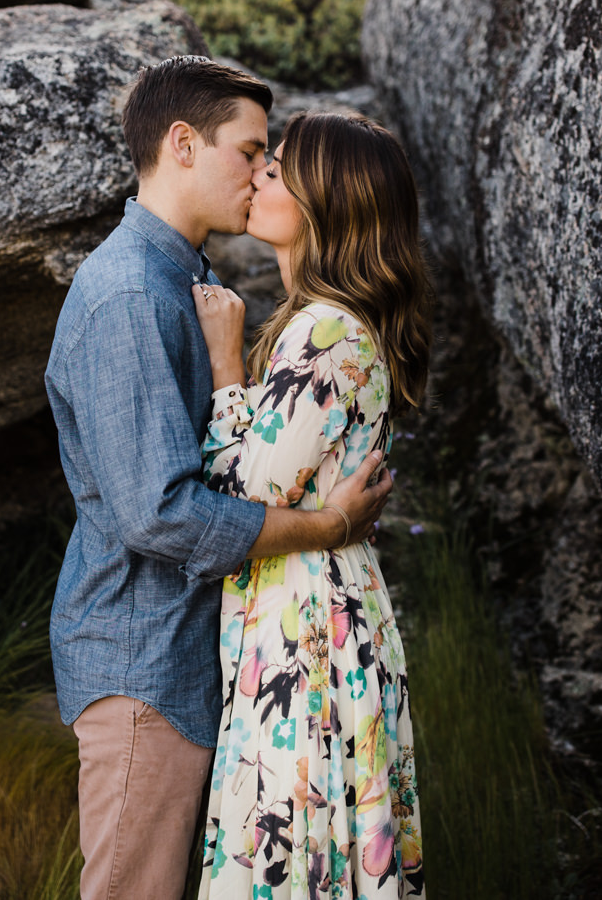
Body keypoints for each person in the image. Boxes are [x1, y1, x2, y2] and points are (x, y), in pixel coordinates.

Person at [46, 56, 397, 900]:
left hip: (196, 661)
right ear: (181, 145)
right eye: (249, 151)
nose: (260, 172)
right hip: (143, 665)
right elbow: (160, 514)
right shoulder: (130, 293)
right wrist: (324, 527)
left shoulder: (190, 282)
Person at [190, 110, 430, 898]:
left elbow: (236, 497)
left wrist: (227, 367)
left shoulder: (325, 334)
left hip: (306, 633)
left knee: (290, 858)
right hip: (313, 613)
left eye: (279, 167)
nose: (259, 174)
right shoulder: (321, 327)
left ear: (328, 200)